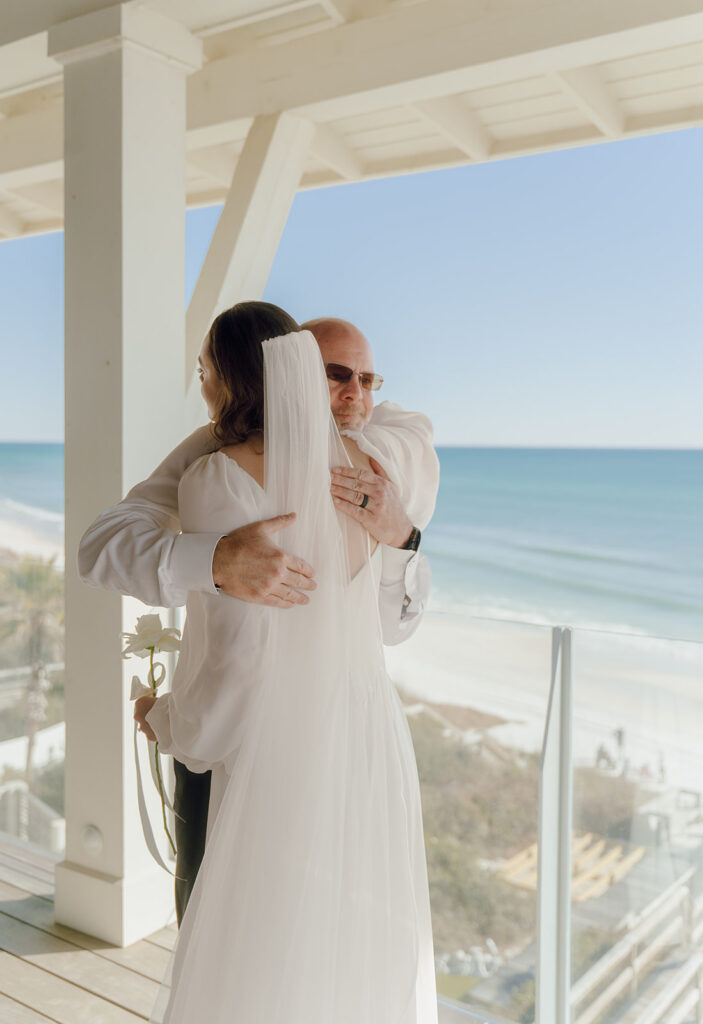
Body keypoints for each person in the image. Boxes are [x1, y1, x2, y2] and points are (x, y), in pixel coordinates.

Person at [123, 301, 438, 1022]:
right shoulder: (371, 470)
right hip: (365, 733)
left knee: (246, 954)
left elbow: (239, 665)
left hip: (273, 748)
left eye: (203, 372)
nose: (201, 389)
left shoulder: (218, 479)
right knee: (341, 941)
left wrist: (167, 720)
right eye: (335, 376)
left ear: (228, 379)